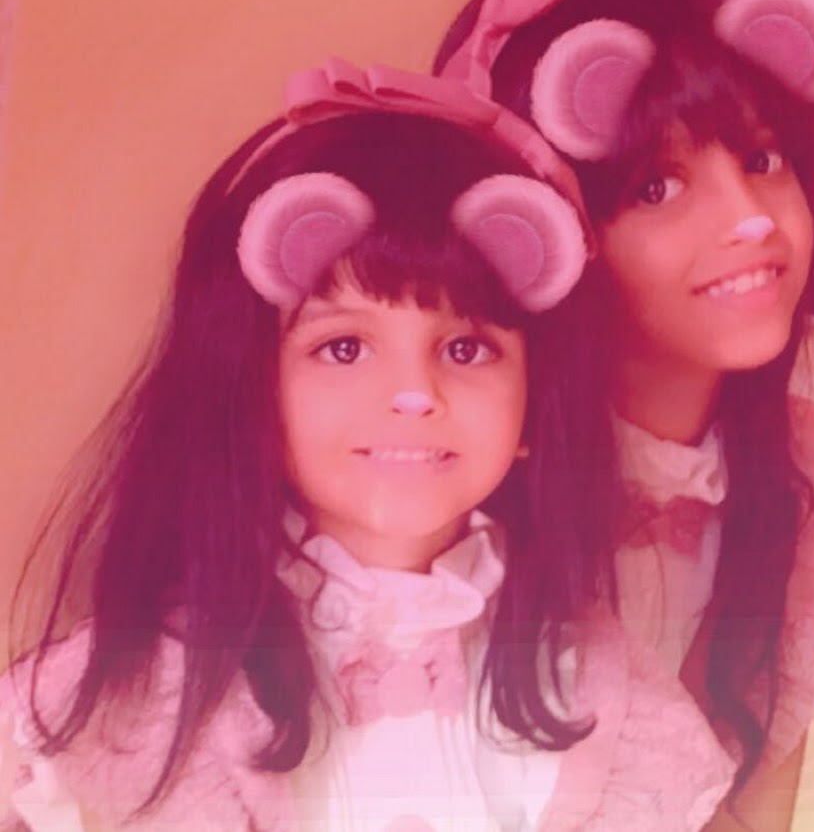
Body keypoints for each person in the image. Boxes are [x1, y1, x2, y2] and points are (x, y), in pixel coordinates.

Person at [0, 60, 736, 830]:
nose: (414, 393)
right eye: (345, 347)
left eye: (466, 348)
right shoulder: (142, 701)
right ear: (249, 385)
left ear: (534, 403)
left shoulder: (597, 682)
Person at [434, 0, 814, 828]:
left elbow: (757, 788)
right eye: (656, 187)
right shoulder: (461, 499)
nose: (750, 220)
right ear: (549, 235)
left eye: (761, 160)